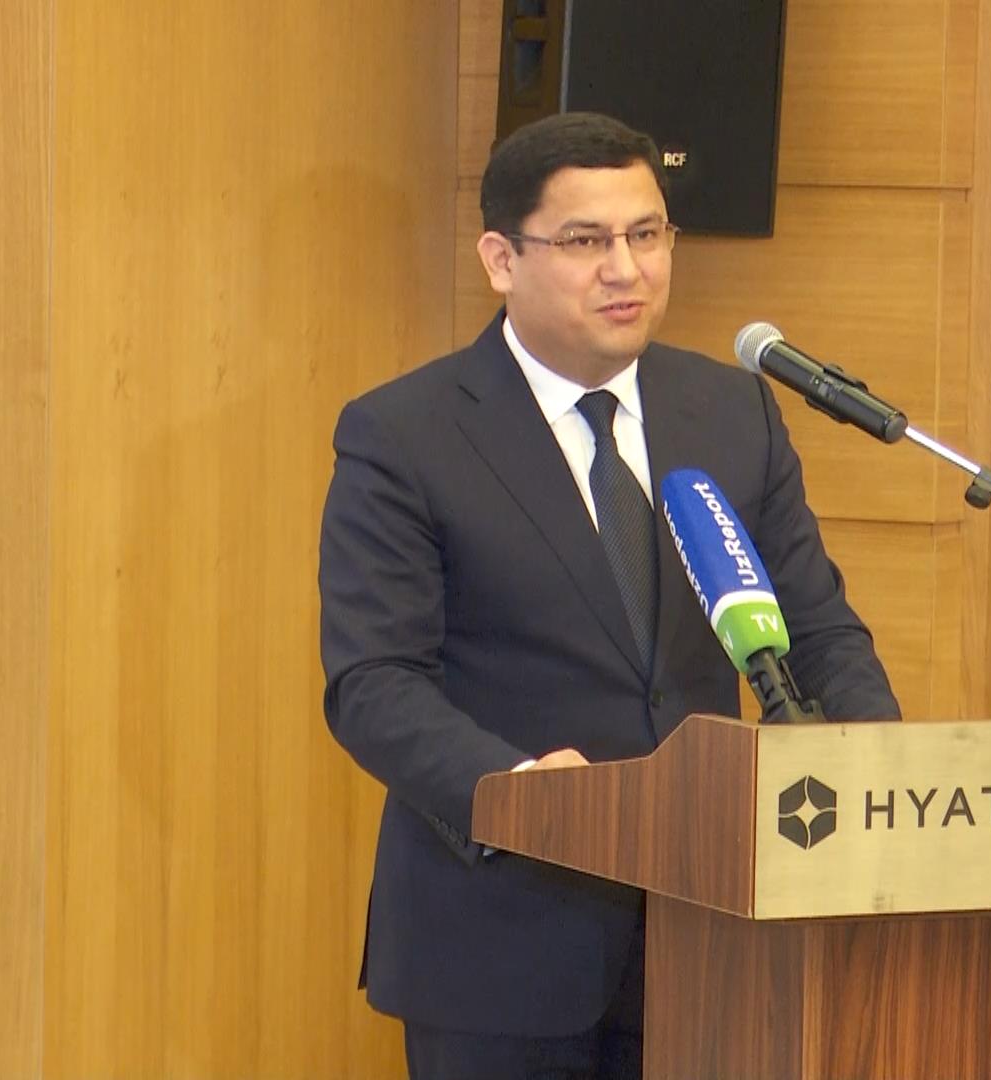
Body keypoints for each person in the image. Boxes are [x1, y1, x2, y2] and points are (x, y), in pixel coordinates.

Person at [317, 111, 900, 1080]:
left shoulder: (731, 413)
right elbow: (374, 684)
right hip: (501, 945)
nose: (626, 269)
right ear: (501, 260)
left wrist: (882, 778)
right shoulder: (404, 435)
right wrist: (519, 792)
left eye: (647, 233)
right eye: (586, 242)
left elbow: (820, 633)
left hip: (712, 934)